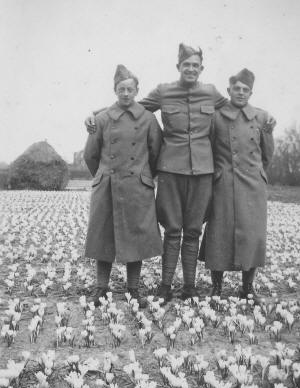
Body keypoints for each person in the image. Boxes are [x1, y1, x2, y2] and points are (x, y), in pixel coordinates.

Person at [85, 44, 275, 304]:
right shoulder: (164, 91)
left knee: (194, 230)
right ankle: (165, 286)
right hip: (171, 171)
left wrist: (267, 118)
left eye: (195, 65)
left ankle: (189, 287)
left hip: (203, 173)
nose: (191, 69)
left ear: (201, 69)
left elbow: (238, 107)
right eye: (186, 65)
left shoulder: (210, 93)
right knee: (173, 230)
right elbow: (131, 105)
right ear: (178, 67)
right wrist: (96, 115)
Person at [84, 64, 163, 308]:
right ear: (115, 90)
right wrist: (103, 175)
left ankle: (133, 289)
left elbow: (157, 152)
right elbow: (90, 155)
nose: (126, 93)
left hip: (137, 188)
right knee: (103, 237)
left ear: (137, 90)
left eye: (130, 89)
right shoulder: (102, 118)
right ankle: (101, 288)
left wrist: (144, 176)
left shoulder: (149, 119)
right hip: (107, 186)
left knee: (136, 240)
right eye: (121, 89)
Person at [199, 69, 274, 303]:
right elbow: (208, 150)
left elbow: (268, 154)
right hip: (223, 183)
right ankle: (216, 287)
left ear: (251, 92)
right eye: (237, 89)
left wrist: (255, 173)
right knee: (218, 234)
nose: (241, 93)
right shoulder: (216, 116)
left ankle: (248, 288)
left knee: (253, 236)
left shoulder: (262, 118)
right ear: (229, 90)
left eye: (246, 90)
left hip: (253, 185)